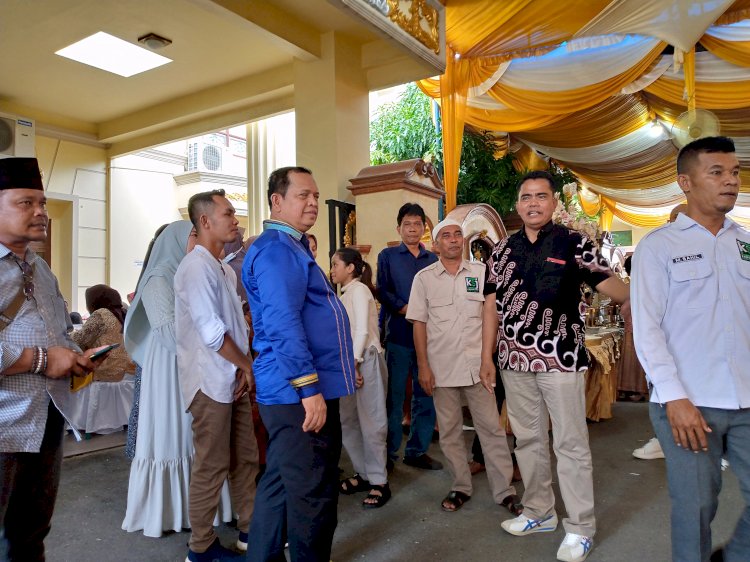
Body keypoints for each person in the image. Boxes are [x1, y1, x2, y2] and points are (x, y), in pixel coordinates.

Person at [491, 171, 630, 562]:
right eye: (526, 197)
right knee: (527, 440)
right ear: (517, 205)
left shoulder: (575, 242)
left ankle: (581, 527)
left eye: (541, 196)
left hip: (561, 358)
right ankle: (539, 511)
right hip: (513, 359)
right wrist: (488, 356)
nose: (533, 203)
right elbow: (491, 306)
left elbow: (611, 285)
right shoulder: (502, 251)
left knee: (569, 442)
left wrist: (637, 298)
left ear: (553, 203)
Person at [632, 136, 750, 562]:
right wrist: (674, 397)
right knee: (696, 507)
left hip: (746, 398)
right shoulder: (659, 247)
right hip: (689, 402)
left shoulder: (745, 243)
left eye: (735, 172)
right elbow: (648, 329)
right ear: (686, 182)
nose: (730, 181)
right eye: (717, 172)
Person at [242, 166, 356, 562]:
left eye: (316, 196)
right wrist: (308, 388)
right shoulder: (278, 249)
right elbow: (282, 324)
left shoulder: (290, 246)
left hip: (288, 390)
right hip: (296, 393)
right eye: (302, 195)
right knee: (313, 493)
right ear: (277, 201)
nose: (312, 203)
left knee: (279, 483)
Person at [0, 157, 101, 560]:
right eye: (26, 203)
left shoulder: (40, 269)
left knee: (31, 533)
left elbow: (58, 333)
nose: (40, 212)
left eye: (42, 203)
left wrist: (75, 356)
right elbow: (45, 352)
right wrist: (43, 359)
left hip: (46, 418)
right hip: (4, 423)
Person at [122, 220, 234, 537]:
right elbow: (170, 333)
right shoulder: (159, 278)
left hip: (191, 362)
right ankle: (169, 512)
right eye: (194, 236)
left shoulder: (192, 273)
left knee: (193, 435)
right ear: (176, 241)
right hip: (168, 368)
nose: (200, 242)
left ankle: (200, 508)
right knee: (171, 433)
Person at [407, 219, 521, 515]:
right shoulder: (424, 279)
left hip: (477, 367)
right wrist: (423, 366)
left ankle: (505, 491)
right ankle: (460, 486)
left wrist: (487, 359)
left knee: (492, 430)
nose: (454, 239)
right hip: (441, 368)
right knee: (449, 433)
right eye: (446, 235)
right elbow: (419, 324)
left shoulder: (481, 273)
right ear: (436, 245)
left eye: (458, 234)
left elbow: (491, 318)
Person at [175, 190, 259, 561]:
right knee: (211, 464)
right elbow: (211, 332)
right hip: (208, 381)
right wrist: (247, 365)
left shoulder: (221, 267)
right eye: (228, 214)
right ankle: (201, 547)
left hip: (231, 377)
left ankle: (250, 530)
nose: (235, 220)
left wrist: (242, 366)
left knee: (245, 457)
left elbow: (235, 326)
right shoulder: (195, 267)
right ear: (205, 221)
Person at [377, 203, 442, 471]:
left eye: (417, 224)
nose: (412, 229)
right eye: (407, 224)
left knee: (425, 393)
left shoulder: (433, 260)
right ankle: (389, 453)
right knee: (394, 397)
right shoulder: (388, 256)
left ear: (424, 228)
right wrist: (407, 310)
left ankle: (417, 451)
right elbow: (383, 290)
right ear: (399, 228)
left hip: (428, 339)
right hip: (399, 335)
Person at [331, 247, 390, 508]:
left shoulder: (360, 290)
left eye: (335, 264)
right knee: (348, 420)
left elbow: (363, 332)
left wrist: (354, 364)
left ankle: (379, 481)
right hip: (348, 363)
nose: (332, 270)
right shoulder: (344, 294)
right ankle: (363, 473)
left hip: (364, 359)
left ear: (350, 268)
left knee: (371, 421)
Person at [631, 204, 686, 461]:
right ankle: (663, 439)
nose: (676, 222)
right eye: (674, 218)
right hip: (664, 344)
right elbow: (648, 315)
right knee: (664, 390)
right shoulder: (657, 246)